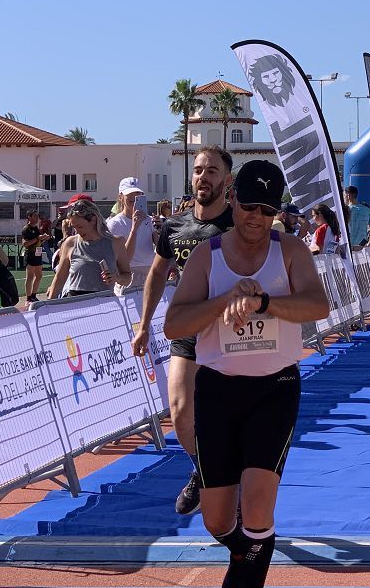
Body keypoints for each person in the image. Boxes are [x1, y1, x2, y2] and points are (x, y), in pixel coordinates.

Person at [163, 160, 329, 588]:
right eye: (249, 205)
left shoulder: (288, 250)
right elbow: (174, 325)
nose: (255, 216)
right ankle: (249, 551)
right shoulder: (207, 256)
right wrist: (224, 302)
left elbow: (317, 306)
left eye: (267, 209)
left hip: (274, 390)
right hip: (217, 392)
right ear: (232, 199)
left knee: (257, 510)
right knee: (218, 522)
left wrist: (264, 304)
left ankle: (245, 573)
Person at [133, 146, 234, 516]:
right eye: (197, 170)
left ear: (227, 179)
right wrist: (144, 325)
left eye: (211, 171)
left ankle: (233, 485)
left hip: (231, 332)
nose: (203, 177)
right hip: (189, 327)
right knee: (179, 411)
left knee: (228, 415)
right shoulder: (175, 226)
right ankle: (203, 470)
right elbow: (158, 272)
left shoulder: (238, 224)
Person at [47, 199, 132, 298]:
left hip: (104, 303)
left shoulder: (116, 243)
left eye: (80, 226)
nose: (77, 231)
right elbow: (59, 279)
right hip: (75, 302)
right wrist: (48, 307)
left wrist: (117, 278)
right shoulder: (70, 243)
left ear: (93, 220)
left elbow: (127, 278)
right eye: (74, 227)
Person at [106, 177, 157, 291]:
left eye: (137, 198)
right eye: (130, 200)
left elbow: (160, 249)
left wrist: (161, 230)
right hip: (129, 274)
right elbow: (125, 259)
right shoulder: (115, 223)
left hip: (150, 271)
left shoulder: (148, 220)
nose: (134, 203)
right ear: (121, 198)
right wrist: (134, 229)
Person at [21, 210, 49, 303]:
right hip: (30, 255)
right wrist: (37, 238)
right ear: (29, 217)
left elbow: (38, 242)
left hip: (38, 254)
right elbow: (25, 244)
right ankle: (28, 297)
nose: (37, 218)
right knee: (30, 276)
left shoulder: (36, 229)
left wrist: (43, 239)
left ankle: (33, 295)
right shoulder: (26, 229)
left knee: (39, 276)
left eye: (37, 216)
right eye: (35, 216)